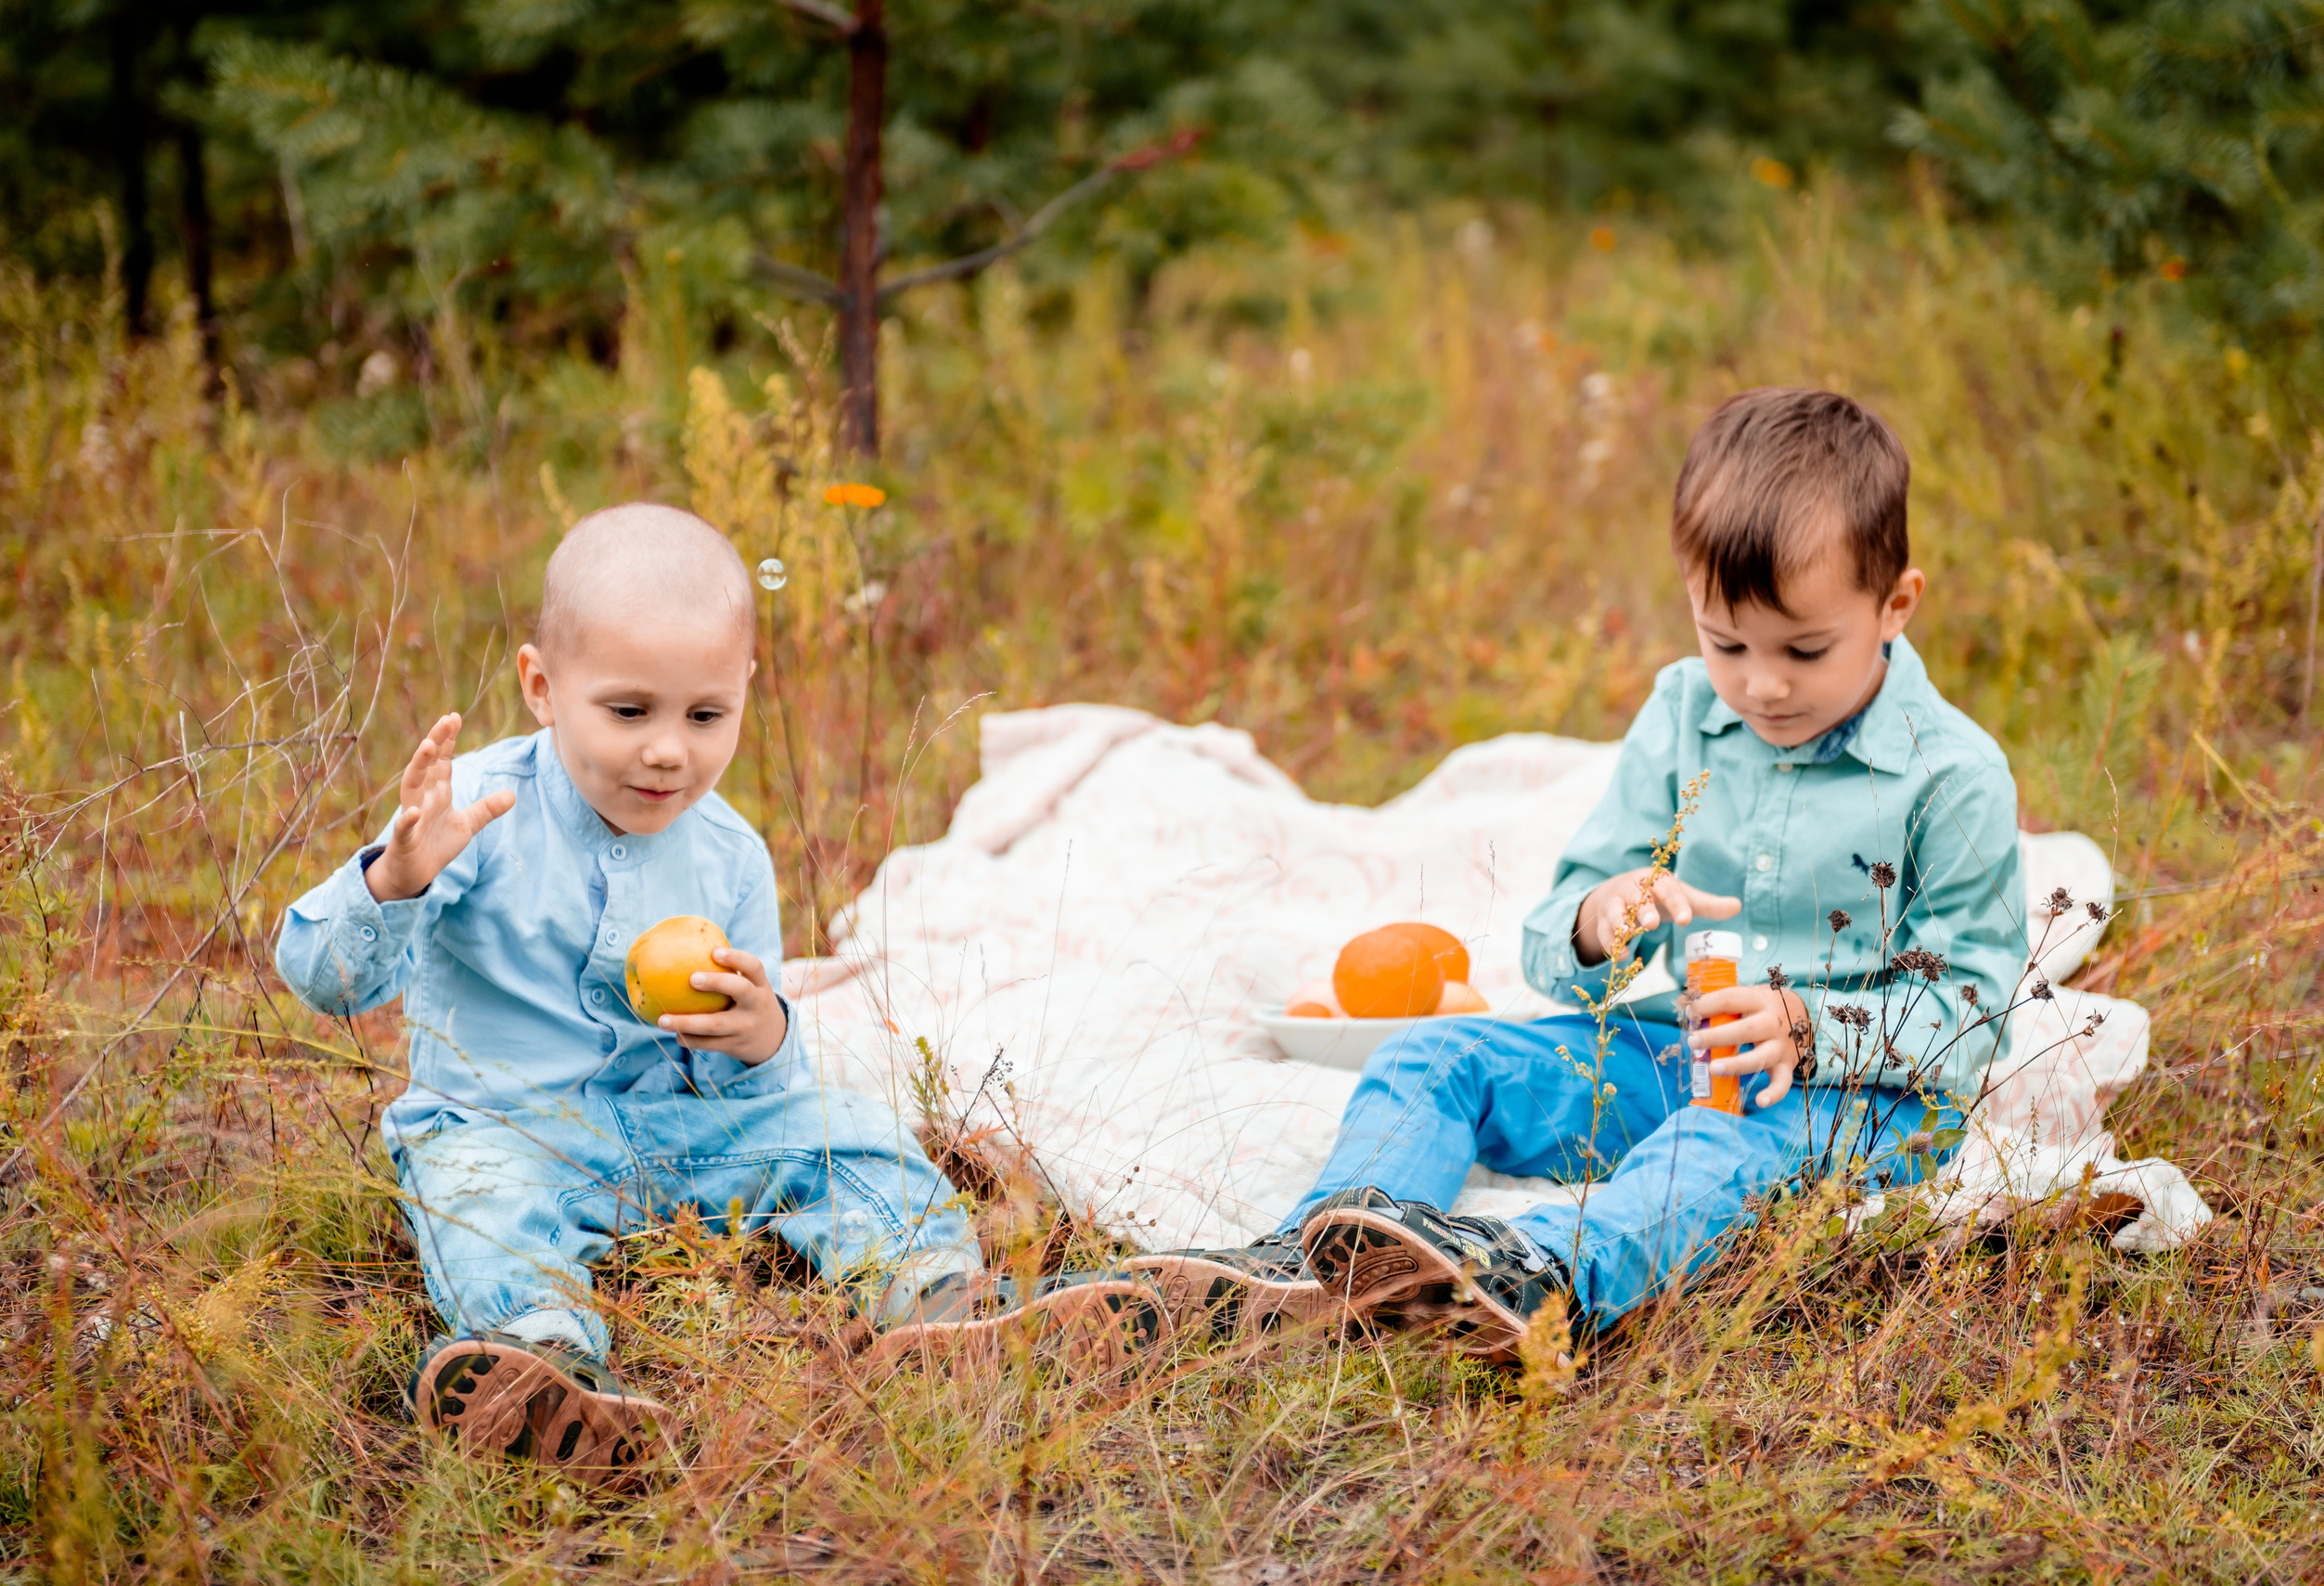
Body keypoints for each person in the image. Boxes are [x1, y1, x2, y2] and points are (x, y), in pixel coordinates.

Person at [1129, 388, 2028, 1358]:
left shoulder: (1952, 773)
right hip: (1677, 1053)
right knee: (1434, 1058)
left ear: (1894, 605)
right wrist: (1602, 915)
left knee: (1709, 1151)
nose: (1761, 683)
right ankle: (1317, 1266)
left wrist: (1808, 1028)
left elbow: (1976, 1006)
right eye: (1725, 642)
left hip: (1856, 1102)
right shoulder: (1685, 712)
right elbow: (1560, 920)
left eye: (1804, 649)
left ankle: (1532, 1276)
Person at [276, 504, 1163, 1476]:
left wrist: (763, 1033)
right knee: (481, 1199)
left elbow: (761, 1089)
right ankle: (541, 1357)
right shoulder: (470, 815)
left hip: (678, 1143)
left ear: (744, 690)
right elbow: (327, 981)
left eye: (705, 716)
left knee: (848, 1131)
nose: (669, 750)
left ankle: (935, 1302)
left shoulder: (731, 855)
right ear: (542, 686)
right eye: (629, 711)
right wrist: (392, 880)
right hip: (505, 1125)